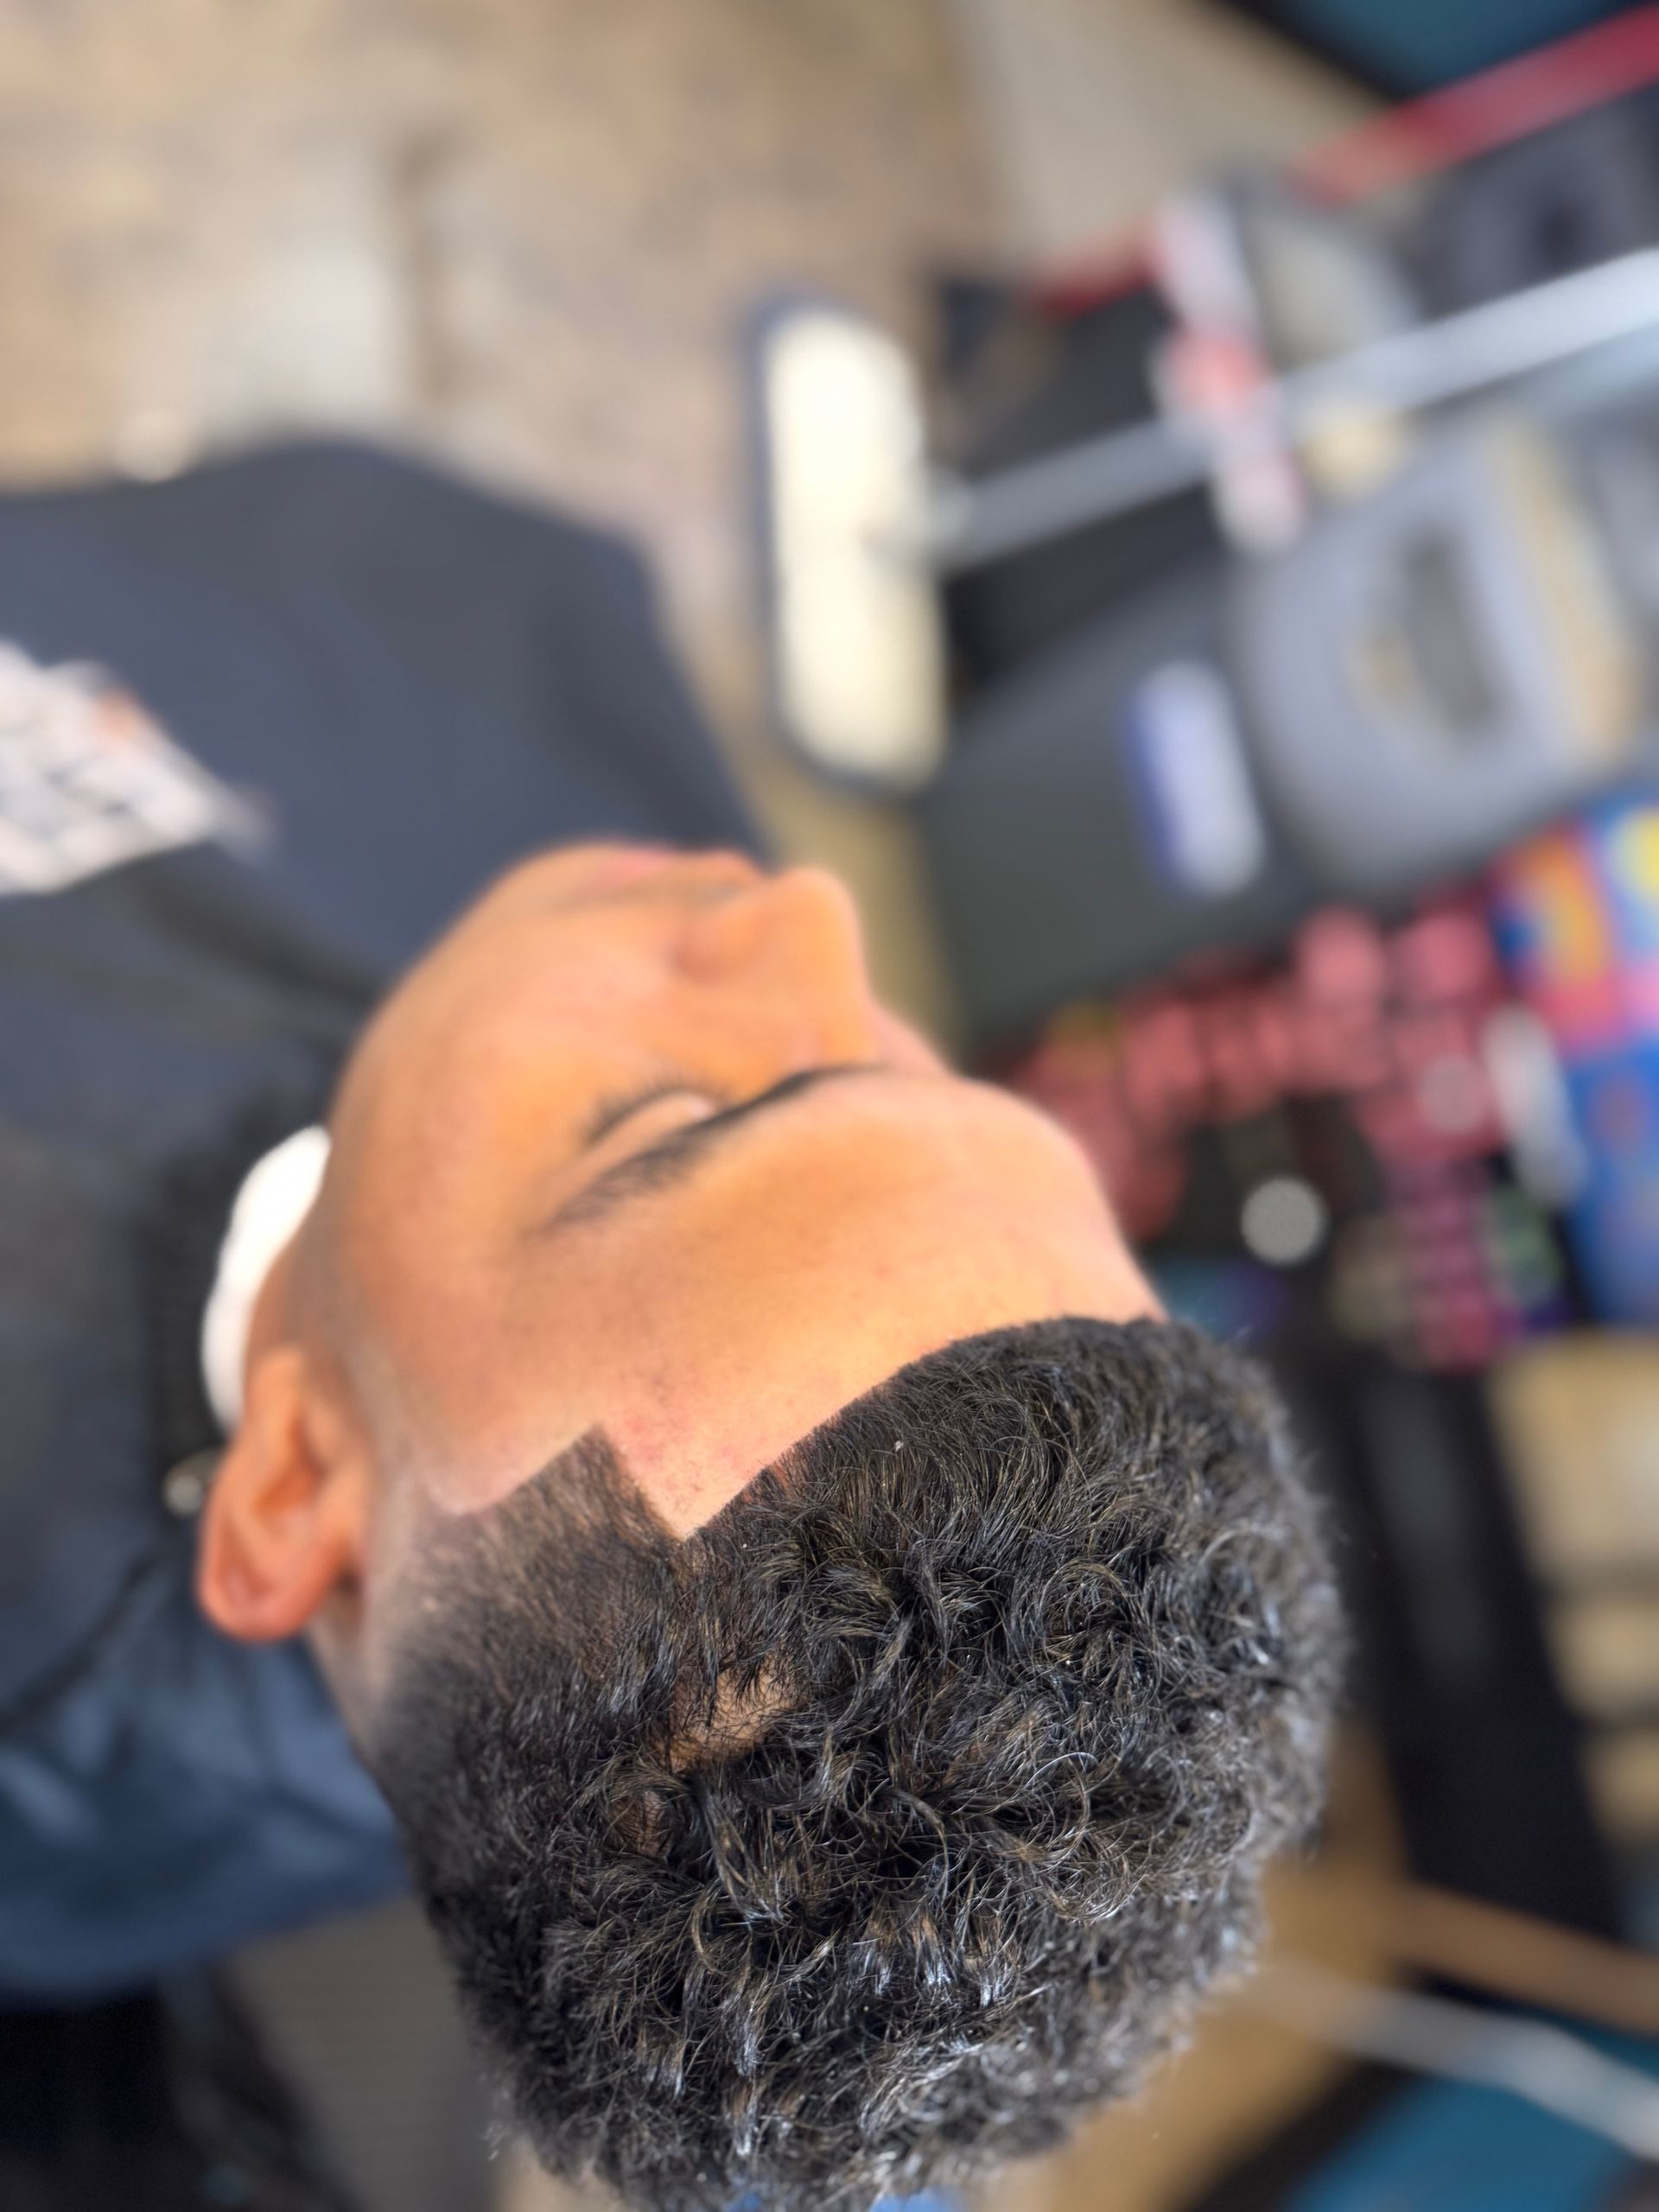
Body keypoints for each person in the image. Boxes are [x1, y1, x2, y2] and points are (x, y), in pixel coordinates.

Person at [0, 440, 1340, 2212]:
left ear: (292, 1497)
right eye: (899, 1059)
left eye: (663, 1128)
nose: (803, 911)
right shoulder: (516, 650)